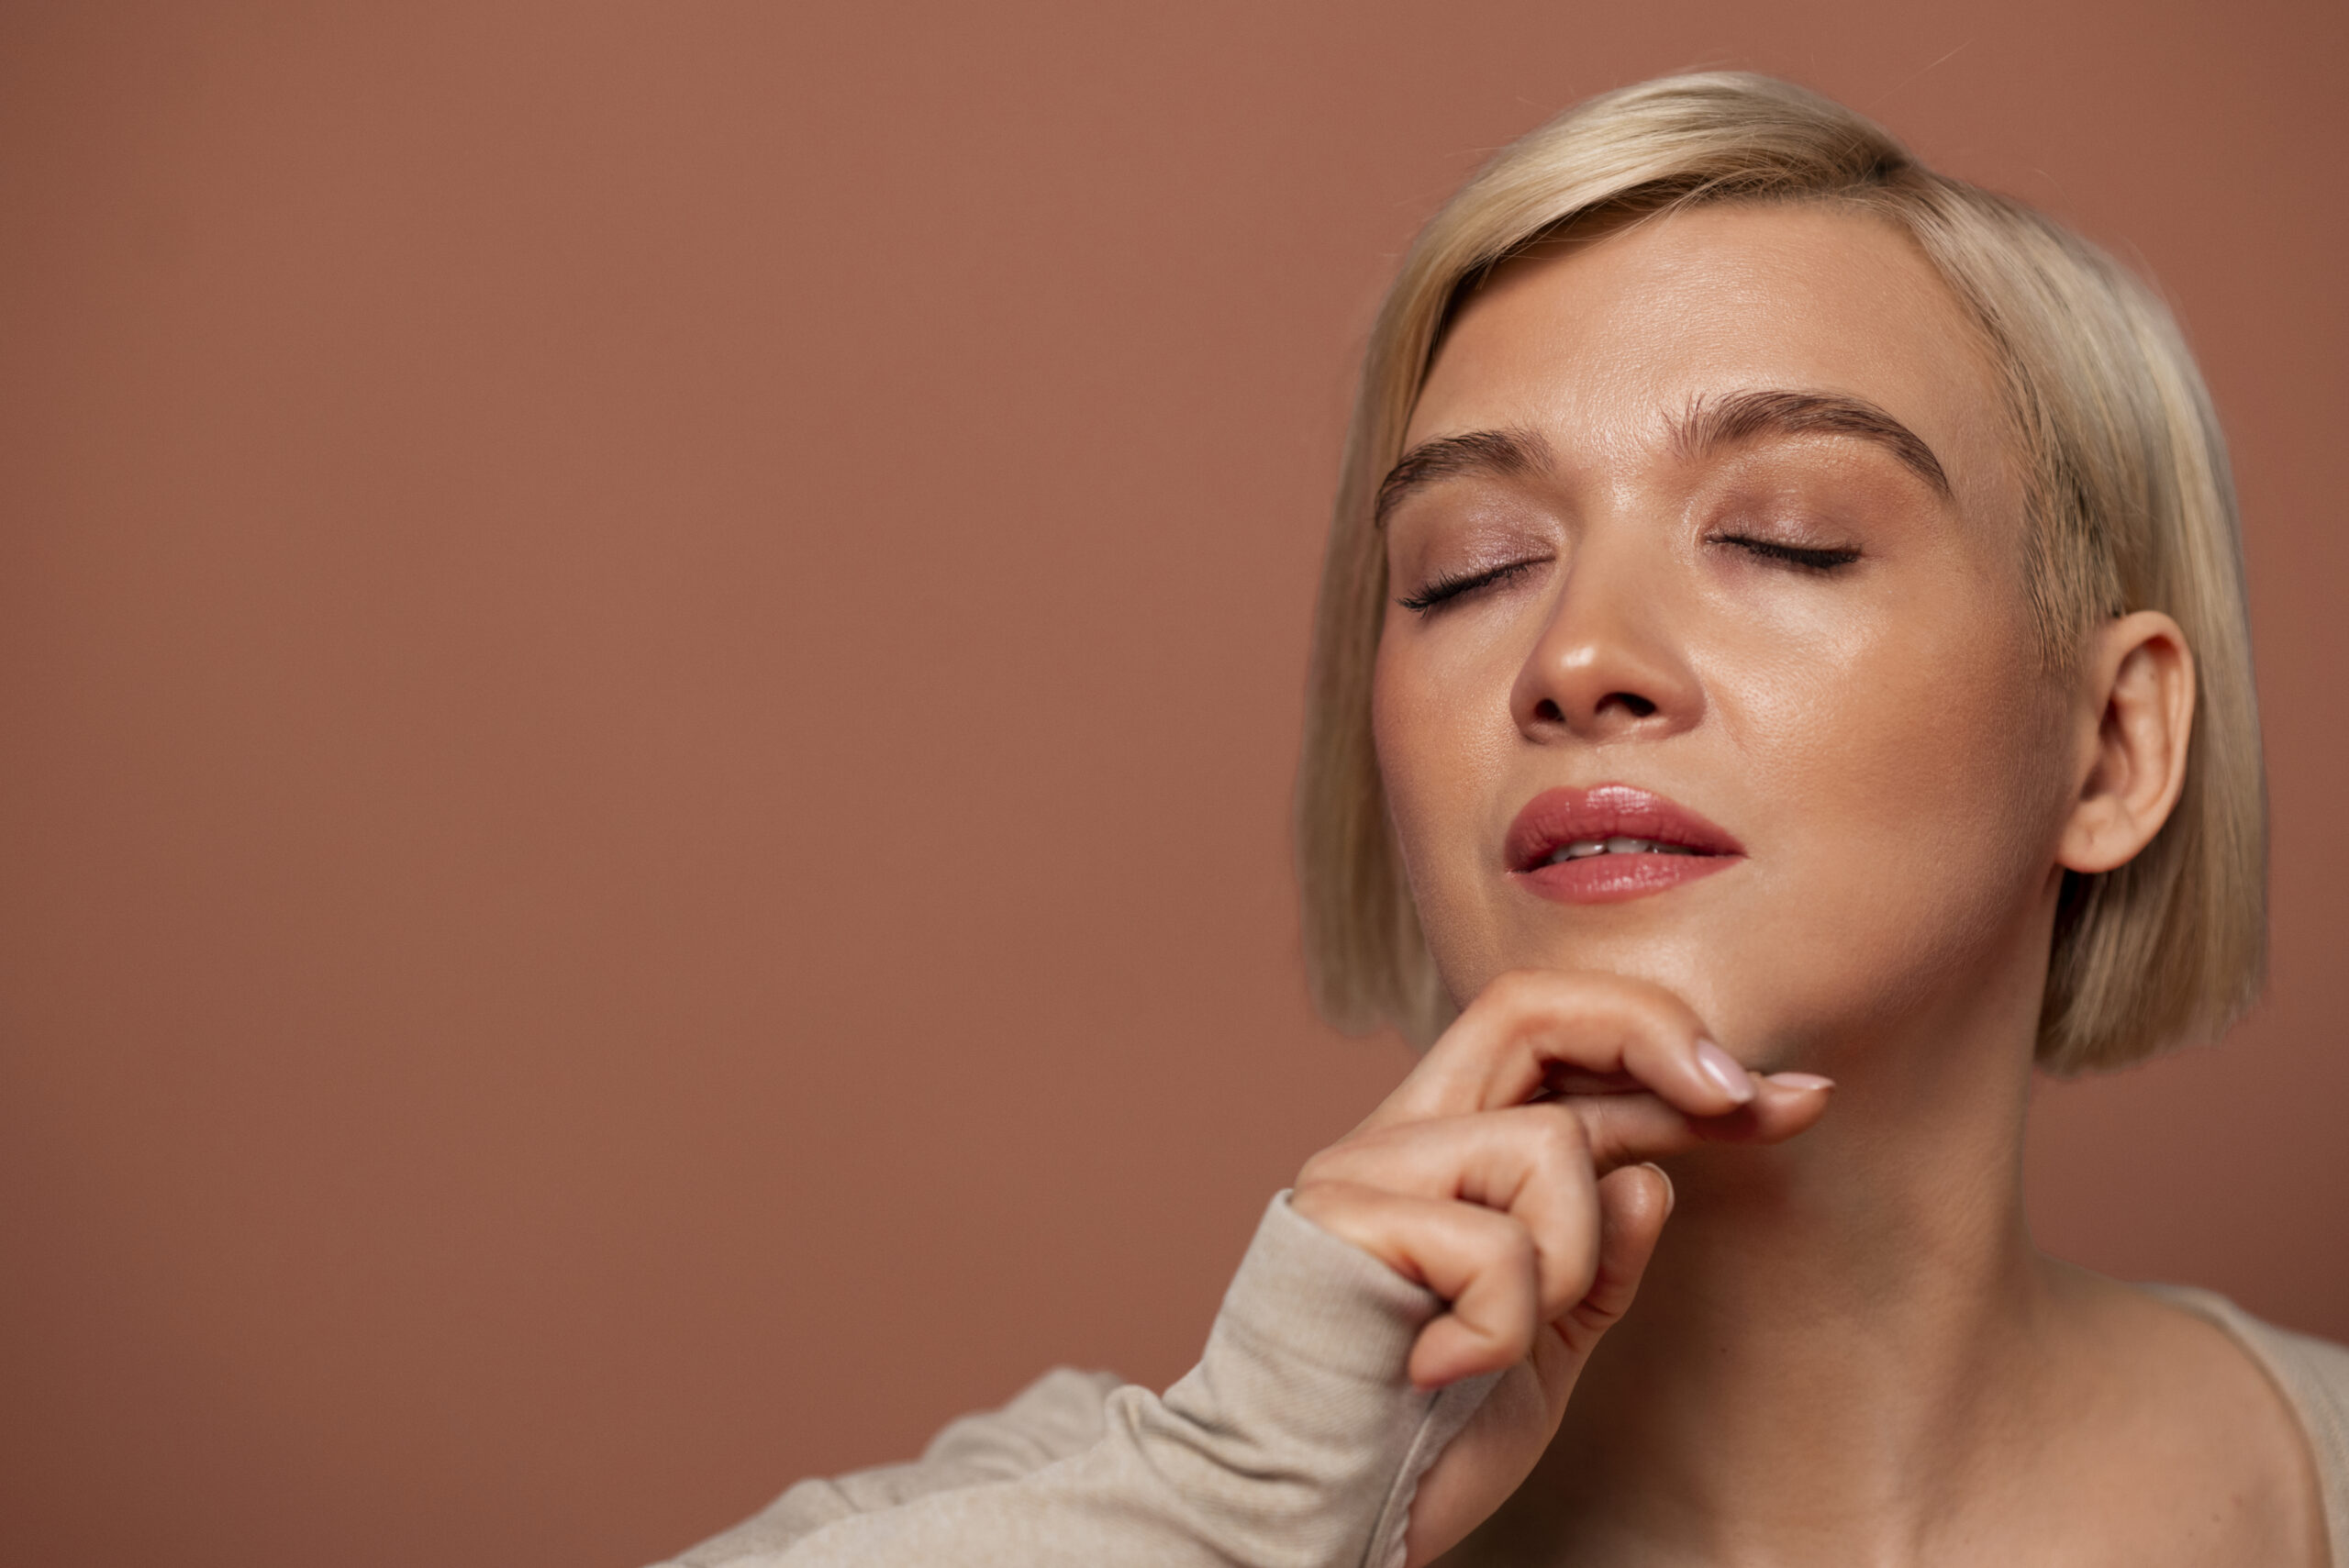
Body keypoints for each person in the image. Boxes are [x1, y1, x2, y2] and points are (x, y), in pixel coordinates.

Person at [656, 72, 2347, 1566]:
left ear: (2115, 745)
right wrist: (1245, 1507)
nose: (1579, 656)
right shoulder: (1118, 1510)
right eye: (1470, 570)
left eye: (1788, 536)